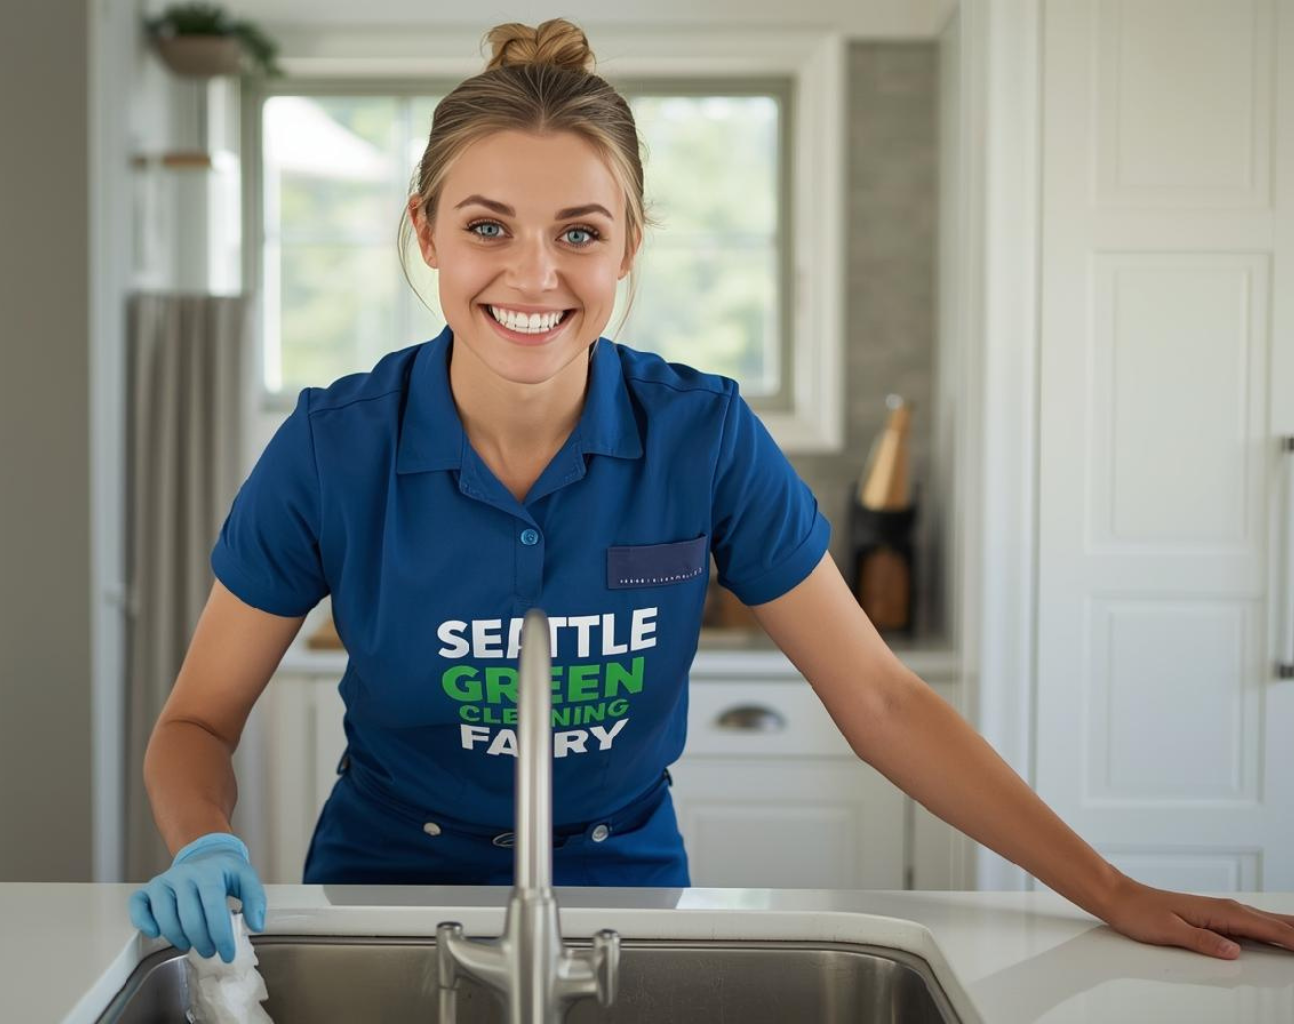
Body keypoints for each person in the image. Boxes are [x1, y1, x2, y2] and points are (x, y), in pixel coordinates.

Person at [129, 18, 1294, 968]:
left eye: (578, 232)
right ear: (427, 232)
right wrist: (204, 842)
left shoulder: (706, 437)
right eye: (488, 227)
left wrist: (1108, 886)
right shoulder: (333, 447)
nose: (534, 274)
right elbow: (196, 723)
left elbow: (882, 702)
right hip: (377, 899)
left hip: (630, 899)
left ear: (628, 247)